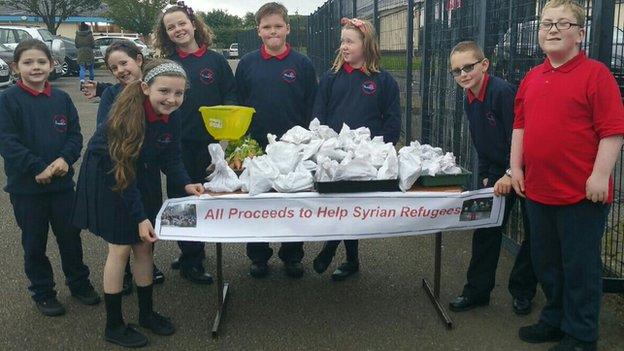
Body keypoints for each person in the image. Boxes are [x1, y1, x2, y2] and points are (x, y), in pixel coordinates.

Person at [511, 1, 624, 350]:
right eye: (546, 23)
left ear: (580, 32)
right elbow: (520, 126)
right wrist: (515, 167)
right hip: (539, 192)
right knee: (547, 264)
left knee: (580, 269)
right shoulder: (532, 77)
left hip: (581, 195)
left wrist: (600, 176)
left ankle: (581, 334)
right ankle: (555, 319)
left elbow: (613, 132)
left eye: (563, 23)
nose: (553, 29)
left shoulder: (596, 75)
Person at [72, 59, 204, 348]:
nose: (171, 99)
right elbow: (123, 172)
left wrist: (185, 183)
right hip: (112, 177)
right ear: (146, 87)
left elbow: (172, 156)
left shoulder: (174, 115)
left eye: (178, 93)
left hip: (141, 173)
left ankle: (146, 314)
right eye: (164, 91)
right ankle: (114, 324)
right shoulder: (127, 116)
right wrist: (140, 216)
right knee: (120, 247)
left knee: (146, 244)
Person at [0, 39, 100, 317]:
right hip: (26, 190)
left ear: (52, 65)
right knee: (34, 243)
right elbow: (7, 142)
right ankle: (43, 292)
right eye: (28, 62)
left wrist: (64, 160)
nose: (35, 67)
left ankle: (79, 283)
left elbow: (75, 135)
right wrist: (37, 168)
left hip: (62, 187)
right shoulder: (7, 100)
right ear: (15, 67)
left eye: (41, 62)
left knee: (70, 237)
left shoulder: (61, 99)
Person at [447, 40, 537, 315]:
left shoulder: (501, 93)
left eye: (469, 67)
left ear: (484, 65)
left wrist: (511, 173)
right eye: (457, 70)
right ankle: (477, 291)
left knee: (534, 233)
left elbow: (520, 136)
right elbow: (480, 140)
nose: (463, 74)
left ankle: (522, 291)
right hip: (498, 173)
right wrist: (488, 173)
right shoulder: (469, 97)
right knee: (486, 229)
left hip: (525, 170)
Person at [153, 1, 237, 284]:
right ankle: (189, 254)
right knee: (179, 200)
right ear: (166, 34)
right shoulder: (166, 64)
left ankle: (195, 255)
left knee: (202, 199)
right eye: (170, 27)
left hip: (207, 145)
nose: (178, 29)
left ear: (193, 24)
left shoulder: (215, 61)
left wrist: (226, 126)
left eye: (181, 23)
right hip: (174, 144)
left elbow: (230, 95)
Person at [312, 17, 401, 281]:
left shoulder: (383, 81)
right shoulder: (330, 78)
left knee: (354, 206)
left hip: (366, 158)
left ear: (367, 44)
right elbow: (319, 116)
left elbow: (392, 122)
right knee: (339, 205)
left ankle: (336, 249)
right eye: (342, 42)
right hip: (335, 156)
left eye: (350, 41)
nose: (344, 47)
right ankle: (350, 258)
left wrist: (379, 150)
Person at [235, 2, 318, 279]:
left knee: (291, 202)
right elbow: (239, 104)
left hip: (293, 148)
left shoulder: (302, 64)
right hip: (256, 146)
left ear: (288, 28)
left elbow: (311, 105)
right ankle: (258, 256)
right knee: (257, 202)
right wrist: (242, 142)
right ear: (258, 30)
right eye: (267, 27)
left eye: (278, 26)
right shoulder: (247, 63)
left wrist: (306, 142)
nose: (273, 31)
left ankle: (292, 255)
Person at [84, 41, 166, 294]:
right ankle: (126, 276)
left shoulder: (158, 88)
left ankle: (144, 271)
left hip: (145, 170)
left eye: (124, 63)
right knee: (121, 238)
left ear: (139, 60)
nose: (119, 70)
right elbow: (108, 143)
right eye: (113, 67)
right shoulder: (111, 95)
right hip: (120, 170)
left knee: (144, 236)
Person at [75, 22, 95, 89]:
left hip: (80, 52)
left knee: (82, 68)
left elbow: (76, 44)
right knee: (91, 68)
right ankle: (91, 81)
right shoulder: (90, 35)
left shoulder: (77, 35)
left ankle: (82, 81)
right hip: (89, 52)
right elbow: (93, 44)